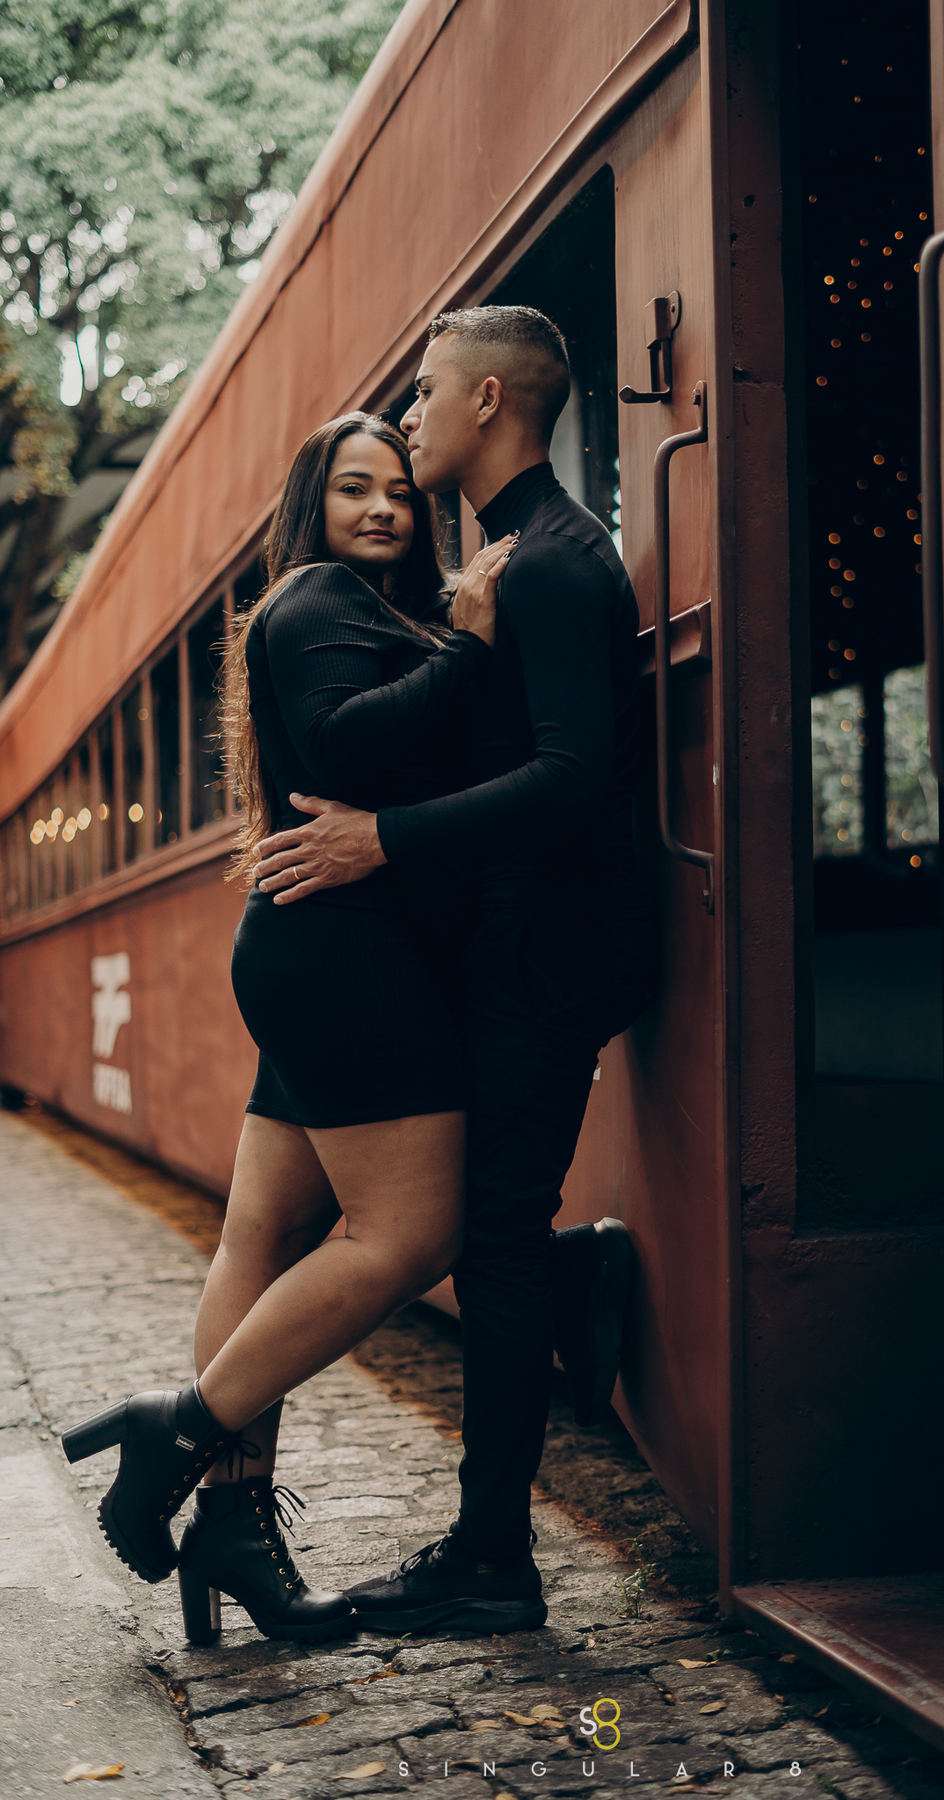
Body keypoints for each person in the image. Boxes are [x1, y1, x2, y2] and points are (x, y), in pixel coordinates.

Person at [61, 411, 515, 1647]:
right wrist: (471, 651)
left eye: (399, 493)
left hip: (315, 953)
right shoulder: (318, 602)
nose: (383, 509)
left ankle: (230, 1528)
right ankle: (184, 1433)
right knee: (412, 1231)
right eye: (353, 489)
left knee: (258, 1240)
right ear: (312, 502)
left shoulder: (353, 609)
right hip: (348, 959)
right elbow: (343, 741)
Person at [251, 305, 657, 1637]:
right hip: (522, 942)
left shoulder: (545, 561)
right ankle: (572, 1281)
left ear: (489, 402)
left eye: (425, 396)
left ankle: (492, 1560)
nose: (410, 417)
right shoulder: (511, 563)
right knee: (492, 1225)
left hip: (548, 952)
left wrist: (382, 841)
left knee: (483, 1235)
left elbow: (572, 775)